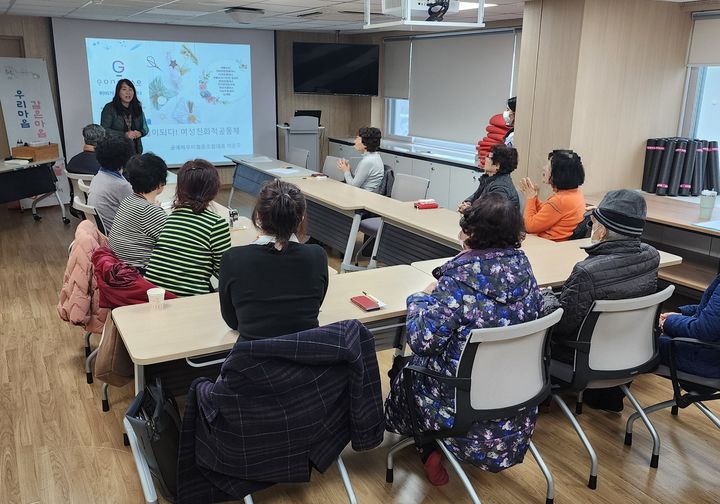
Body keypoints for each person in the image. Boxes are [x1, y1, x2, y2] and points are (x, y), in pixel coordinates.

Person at [384, 193, 544, 486]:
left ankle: (428, 445)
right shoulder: (526, 272)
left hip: (461, 403)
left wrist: (420, 297)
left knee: (405, 369)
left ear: (471, 234)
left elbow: (421, 341)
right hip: (515, 399)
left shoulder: (458, 280)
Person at [549, 189, 660, 411]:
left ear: (602, 229)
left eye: (593, 222)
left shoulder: (587, 272)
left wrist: (549, 300)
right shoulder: (651, 257)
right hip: (632, 350)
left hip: (586, 357)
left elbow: (562, 326)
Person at [218, 180, 329, 340]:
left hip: (252, 360)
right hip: (306, 357)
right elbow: (314, 307)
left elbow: (233, 322)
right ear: (301, 218)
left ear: (258, 216)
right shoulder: (318, 256)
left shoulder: (233, 258)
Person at [144, 159, 231, 296]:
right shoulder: (215, 224)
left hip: (154, 296)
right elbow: (226, 273)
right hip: (188, 300)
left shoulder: (171, 217)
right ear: (213, 188)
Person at [108, 153, 168, 270]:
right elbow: (175, 243)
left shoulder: (128, 201)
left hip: (120, 269)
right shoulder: (150, 212)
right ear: (160, 183)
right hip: (139, 275)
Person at [659, 274, 720, 378]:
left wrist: (668, 322)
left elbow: (704, 330)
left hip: (708, 361)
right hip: (711, 355)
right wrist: (683, 313)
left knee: (643, 342)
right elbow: (711, 311)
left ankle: (622, 391)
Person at [519, 149, 586, 241]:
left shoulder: (559, 201)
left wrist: (530, 198)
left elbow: (529, 226)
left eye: (548, 166)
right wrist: (534, 198)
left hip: (546, 245)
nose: (544, 168)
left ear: (559, 174)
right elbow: (546, 212)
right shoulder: (574, 193)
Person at [86, 136, 134, 234]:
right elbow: (140, 214)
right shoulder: (121, 186)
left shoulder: (99, 175)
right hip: (119, 238)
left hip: (103, 233)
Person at [458, 144, 520, 213]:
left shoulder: (500, 188)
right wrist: (468, 202)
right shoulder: (488, 179)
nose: (485, 158)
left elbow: (489, 216)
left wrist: (468, 210)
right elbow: (476, 196)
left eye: (489, 157)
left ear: (497, 165)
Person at [101, 79, 149, 155]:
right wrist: (124, 135)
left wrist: (140, 133)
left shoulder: (137, 107)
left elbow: (145, 128)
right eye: (124, 89)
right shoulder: (110, 108)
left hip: (136, 151)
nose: (128, 92)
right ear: (118, 92)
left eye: (130, 89)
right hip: (115, 152)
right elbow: (104, 130)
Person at [337, 126, 384, 193]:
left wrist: (345, 171)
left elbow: (353, 186)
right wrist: (348, 171)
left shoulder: (368, 161)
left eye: (357, 139)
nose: (354, 141)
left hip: (364, 197)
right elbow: (359, 181)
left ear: (365, 144)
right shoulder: (374, 157)